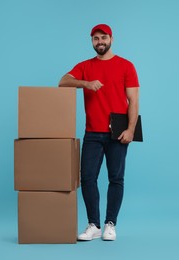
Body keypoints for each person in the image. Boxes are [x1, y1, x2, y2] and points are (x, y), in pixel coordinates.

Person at [58, 24, 140, 241]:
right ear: (92, 42)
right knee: (87, 178)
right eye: (95, 38)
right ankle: (93, 224)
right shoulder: (85, 66)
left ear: (111, 39)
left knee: (116, 178)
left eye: (103, 37)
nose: (100, 42)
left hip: (118, 132)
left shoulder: (126, 66)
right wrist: (85, 83)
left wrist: (131, 129)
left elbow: (133, 100)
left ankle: (110, 224)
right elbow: (63, 81)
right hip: (92, 132)